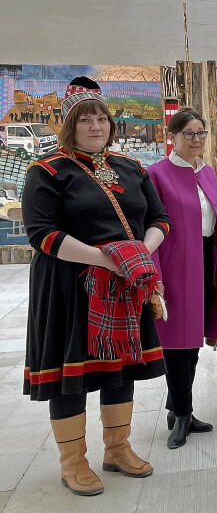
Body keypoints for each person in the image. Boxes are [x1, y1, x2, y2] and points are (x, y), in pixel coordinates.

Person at [22, 77, 168, 496]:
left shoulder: (131, 168)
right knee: (72, 373)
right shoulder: (48, 171)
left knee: (120, 366)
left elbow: (159, 220)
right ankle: (73, 463)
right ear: (70, 126)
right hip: (71, 285)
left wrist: (139, 253)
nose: (94, 126)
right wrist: (109, 259)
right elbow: (42, 234)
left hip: (124, 286)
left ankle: (117, 449)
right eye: (84, 119)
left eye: (100, 118)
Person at [147, 108, 217, 449]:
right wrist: (156, 276)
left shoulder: (208, 172)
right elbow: (149, 228)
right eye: (188, 134)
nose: (196, 140)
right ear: (172, 137)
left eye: (201, 133)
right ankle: (182, 414)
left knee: (193, 340)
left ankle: (178, 406)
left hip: (205, 260)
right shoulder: (156, 174)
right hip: (175, 266)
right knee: (175, 344)